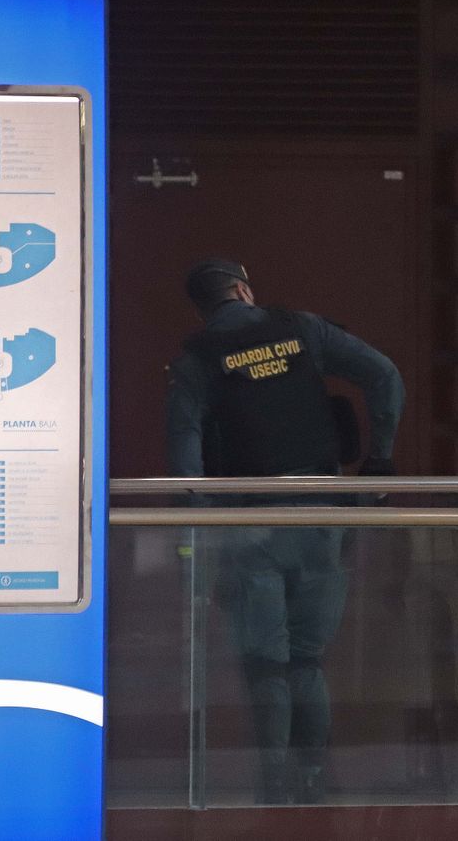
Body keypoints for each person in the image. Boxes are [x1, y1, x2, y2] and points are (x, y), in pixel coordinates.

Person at [166, 258, 404, 805]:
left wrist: (193, 535)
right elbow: (385, 375)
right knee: (306, 657)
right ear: (245, 290)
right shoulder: (302, 329)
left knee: (267, 663)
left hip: (251, 523)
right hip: (324, 515)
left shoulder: (196, 359)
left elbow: (186, 461)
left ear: (203, 308)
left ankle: (274, 784)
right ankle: (315, 780)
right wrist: (379, 462)